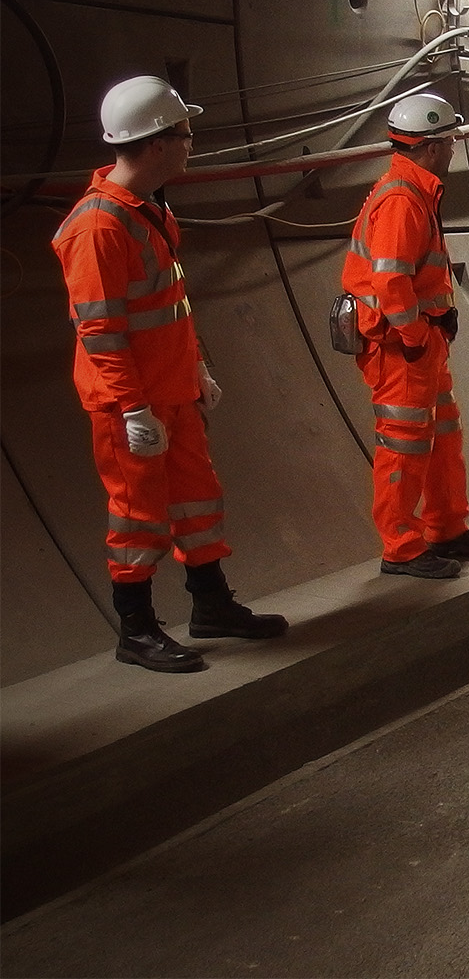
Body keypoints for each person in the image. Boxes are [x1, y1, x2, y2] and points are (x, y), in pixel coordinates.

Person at [52, 76, 288, 673]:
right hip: (132, 403)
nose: (191, 144)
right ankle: (137, 630)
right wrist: (132, 409)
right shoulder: (99, 227)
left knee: (196, 503)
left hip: (173, 391)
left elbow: (171, 304)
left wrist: (197, 366)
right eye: (185, 134)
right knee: (138, 516)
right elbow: (101, 332)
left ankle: (211, 605)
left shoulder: (149, 209)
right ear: (156, 143)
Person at [341, 91, 469, 579]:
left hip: (421, 341)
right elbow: (390, 280)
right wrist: (413, 336)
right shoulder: (402, 200)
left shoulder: (415, 190)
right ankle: (401, 547)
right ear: (430, 145)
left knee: (441, 433)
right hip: (399, 348)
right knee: (404, 444)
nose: (453, 147)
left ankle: (446, 527)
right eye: (449, 139)